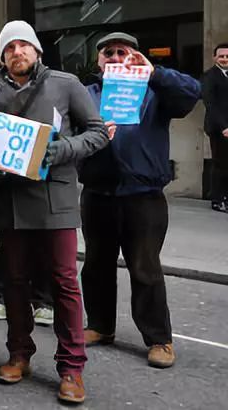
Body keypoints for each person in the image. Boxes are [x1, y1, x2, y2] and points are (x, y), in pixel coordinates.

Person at [0, 20, 109, 404]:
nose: (16, 52)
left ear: (36, 50)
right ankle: (19, 354)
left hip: (56, 200)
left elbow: (97, 132)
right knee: (14, 282)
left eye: (23, 45)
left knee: (64, 284)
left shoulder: (66, 84)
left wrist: (62, 149)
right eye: (9, 48)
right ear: (2, 57)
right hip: (11, 204)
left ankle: (71, 368)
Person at [80, 32, 200, 369]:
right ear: (99, 61)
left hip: (143, 196)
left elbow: (192, 93)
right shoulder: (86, 94)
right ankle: (100, 326)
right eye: (108, 52)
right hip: (98, 193)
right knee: (96, 265)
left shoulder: (155, 90)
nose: (116, 57)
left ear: (136, 57)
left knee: (145, 268)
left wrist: (154, 73)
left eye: (124, 52)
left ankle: (159, 339)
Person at [202, 42, 228, 213]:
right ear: (214, 58)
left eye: (227, 56)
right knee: (220, 165)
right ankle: (217, 200)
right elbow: (210, 104)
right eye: (221, 56)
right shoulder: (209, 76)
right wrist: (224, 127)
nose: (224, 59)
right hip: (219, 129)